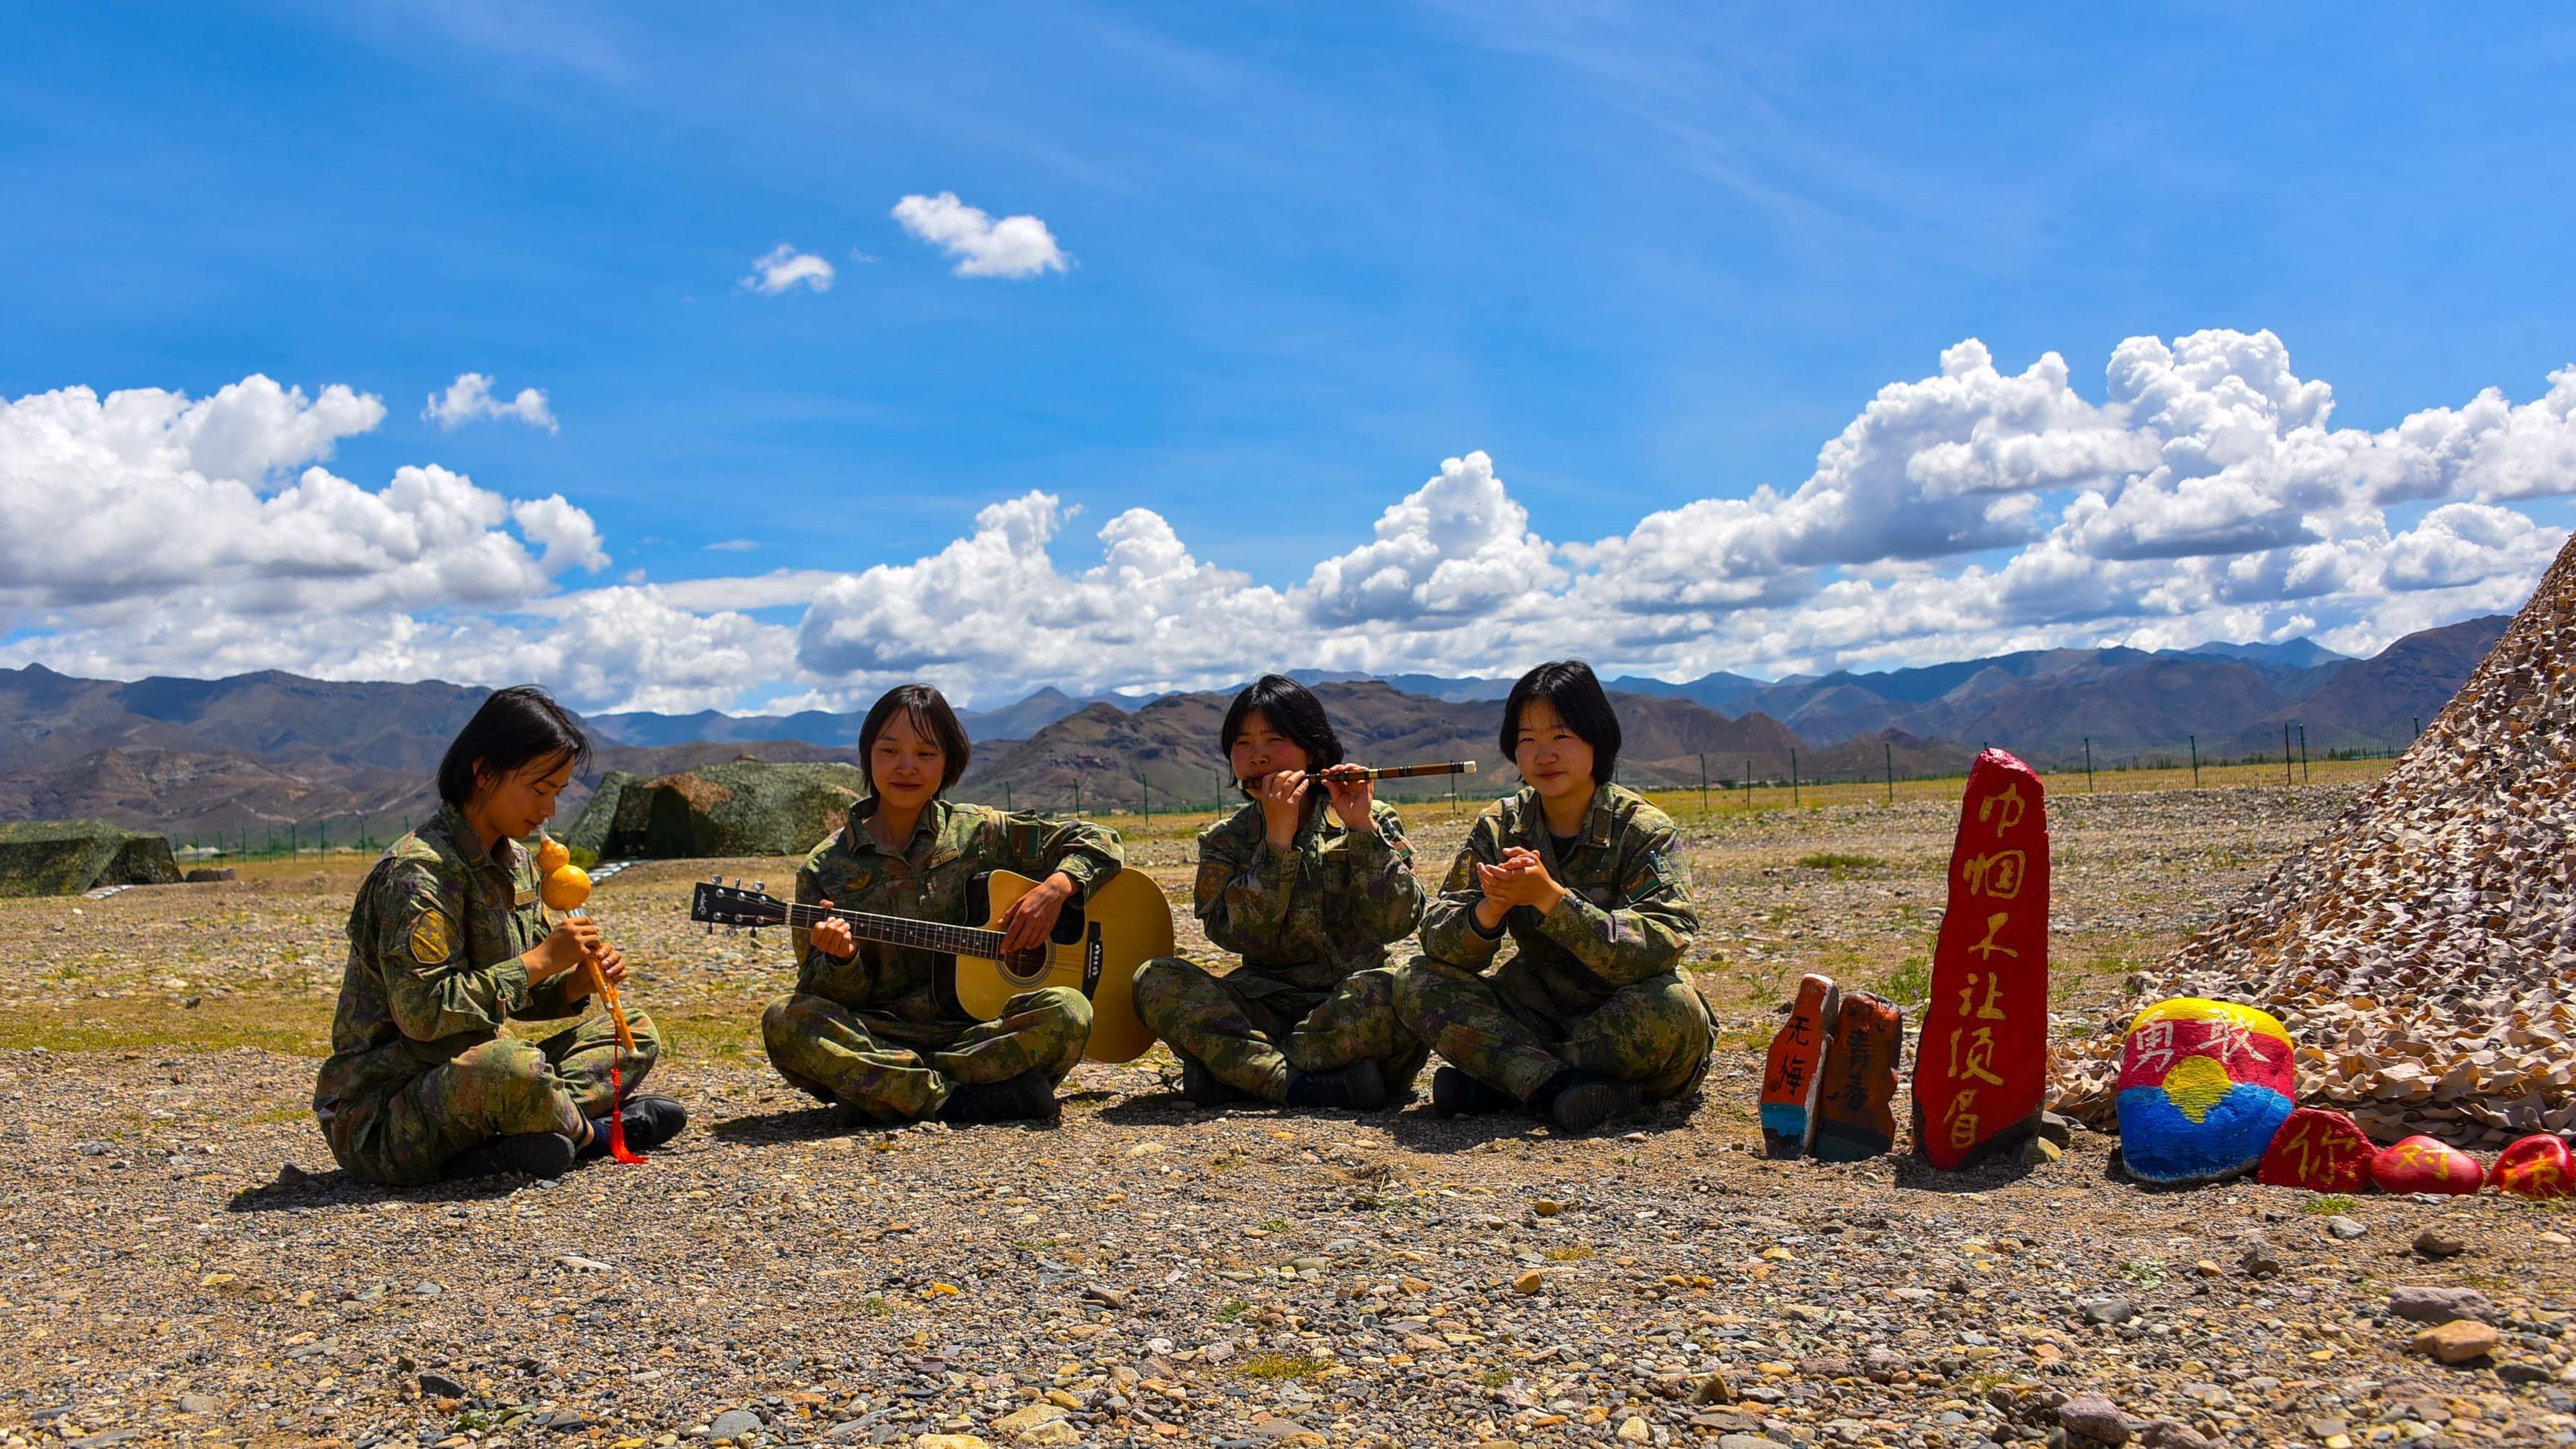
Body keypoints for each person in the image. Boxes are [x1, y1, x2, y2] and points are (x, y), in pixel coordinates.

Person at [314, 686, 686, 1185]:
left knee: (631, 1033)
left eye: (558, 791)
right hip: (388, 1110)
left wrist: (576, 982)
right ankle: (595, 1136)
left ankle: (508, 1140)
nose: (550, 809)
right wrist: (540, 960)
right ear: (483, 771)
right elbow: (424, 1014)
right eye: (539, 789)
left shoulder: (517, 865)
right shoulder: (419, 874)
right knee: (511, 1066)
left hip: (472, 1076)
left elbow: (522, 998)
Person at [762, 684, 1123, 1125]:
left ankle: (894, 1093)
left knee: (1070, 1010)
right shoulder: (824, 870)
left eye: (926, 754)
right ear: (867, 755)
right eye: (890, 750)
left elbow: (1100, 841)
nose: (907, 767)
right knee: (786, 1020)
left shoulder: (982, 832)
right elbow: (820, 995)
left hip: (979, 1033)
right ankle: (969, 1099)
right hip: (881, 1036)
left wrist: (1057, 888)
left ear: (950, 760)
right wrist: (842, 961)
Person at [1394, 660, 1712, 1134]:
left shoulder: (1641, 829)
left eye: (1560, 736)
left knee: (1675, 1010)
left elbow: (1663, 941)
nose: (1543, 754)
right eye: (1527, 740)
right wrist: (1489, 909)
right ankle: (1561, 1087)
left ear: (1595, 740)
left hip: (1619, 1010)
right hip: (1537, 1008)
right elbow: (1439, 941)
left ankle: (1513, 1080)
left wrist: (1554, 901)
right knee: (1416, 981)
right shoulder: (1500, 826)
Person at [1133, 675, 1427, 1111]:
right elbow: (1241, 938)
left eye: (1275, 740)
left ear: (1315, 750)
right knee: (1154, 980)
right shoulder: (1224, 841)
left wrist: (1362, 830)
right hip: (1263, 1004)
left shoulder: (1370, 817)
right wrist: (1277, 842)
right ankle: (1303, 1083)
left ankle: (1240, 1074)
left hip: (1350, 1004)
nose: (1259, 756)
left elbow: (1398, 922)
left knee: (1402, 990)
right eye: (1242, 744)